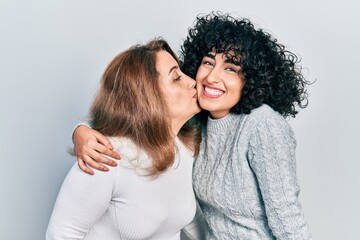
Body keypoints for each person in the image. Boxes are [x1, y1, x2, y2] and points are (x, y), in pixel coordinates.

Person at [72, 13, 312, 239]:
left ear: (252, 80)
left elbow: (287, 218)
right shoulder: (195, 121)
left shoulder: (261, 125)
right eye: (208, 63)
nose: (211, 77)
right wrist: (81, 131)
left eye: (230, 68)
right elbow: (136, 113)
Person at [46, 39, 207, 240]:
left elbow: (188, 217)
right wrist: (79, 130)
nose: (192, 81)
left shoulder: (185, 148)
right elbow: (61, 234)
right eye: (176, 78)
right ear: (146, 97)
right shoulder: (105, 157)